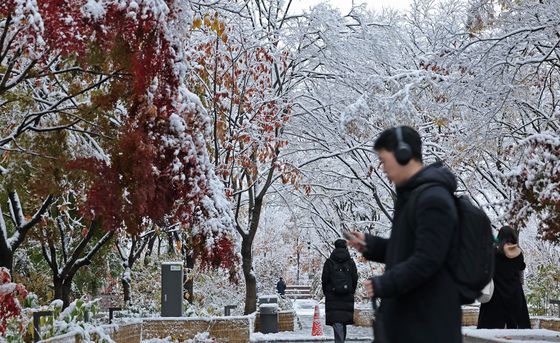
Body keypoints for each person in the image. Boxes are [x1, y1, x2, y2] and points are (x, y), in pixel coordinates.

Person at [346, 126, 461, 343]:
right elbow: (410, 250)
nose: (382, 167)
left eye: (383, 159)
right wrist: (372, 245)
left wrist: (384, 284)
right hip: (412, 319)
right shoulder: (413, 196)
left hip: (428, 324)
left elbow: (428, 259)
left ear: (403, 153)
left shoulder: (433, 199)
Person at [477, 225, 531, 329]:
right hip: (514, 294)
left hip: (496, 294)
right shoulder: (518, 253)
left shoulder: (493, 252)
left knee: (489, 330)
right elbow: (521, 266)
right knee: (515, 329)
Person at [322, 239, 358, 343]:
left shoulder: (329, 262)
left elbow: (324, 279)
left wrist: (327, 292)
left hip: (332, 296)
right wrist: (351, 291)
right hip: (347, 295)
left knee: (337, 321)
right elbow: (355, 278)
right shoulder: (351, 262)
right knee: (343, 320)